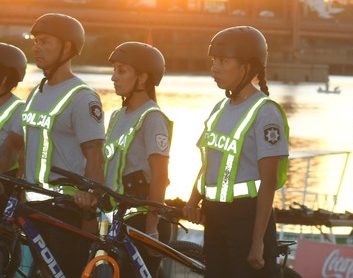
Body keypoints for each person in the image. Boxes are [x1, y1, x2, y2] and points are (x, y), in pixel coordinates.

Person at [0, 13, 105, 275]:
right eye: (35, 41)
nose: (36, 47)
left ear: (67, 47)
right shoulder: (37, 92)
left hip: (65, 208)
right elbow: (13, 144)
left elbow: (95, 157)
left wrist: (90, 202)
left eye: (45, 41)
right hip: (33, 205)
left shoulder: (82, 98)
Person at [183, 26, 289, 278]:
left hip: (248, 218)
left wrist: (257, 242)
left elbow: (268, 182)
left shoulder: (265, 112)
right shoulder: (219, 109)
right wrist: (192, 201)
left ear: (247, 68)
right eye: (213, 61)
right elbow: (209, 164)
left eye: (223, 61)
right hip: (216, 218)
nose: (214, 69)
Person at [74, 41, 172, 278]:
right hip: (118, 218)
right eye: (114, 70)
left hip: (143, 222)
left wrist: (151, 229)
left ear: (142, 78)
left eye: (121, 70)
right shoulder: (117, 116)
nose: (113, 77)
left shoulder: (153, 117)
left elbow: (160, 177)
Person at [0, 43, 27, 194]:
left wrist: (19, 190)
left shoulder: (20, 110)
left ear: (5, 78)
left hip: (5, 182)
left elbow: (18, 152)